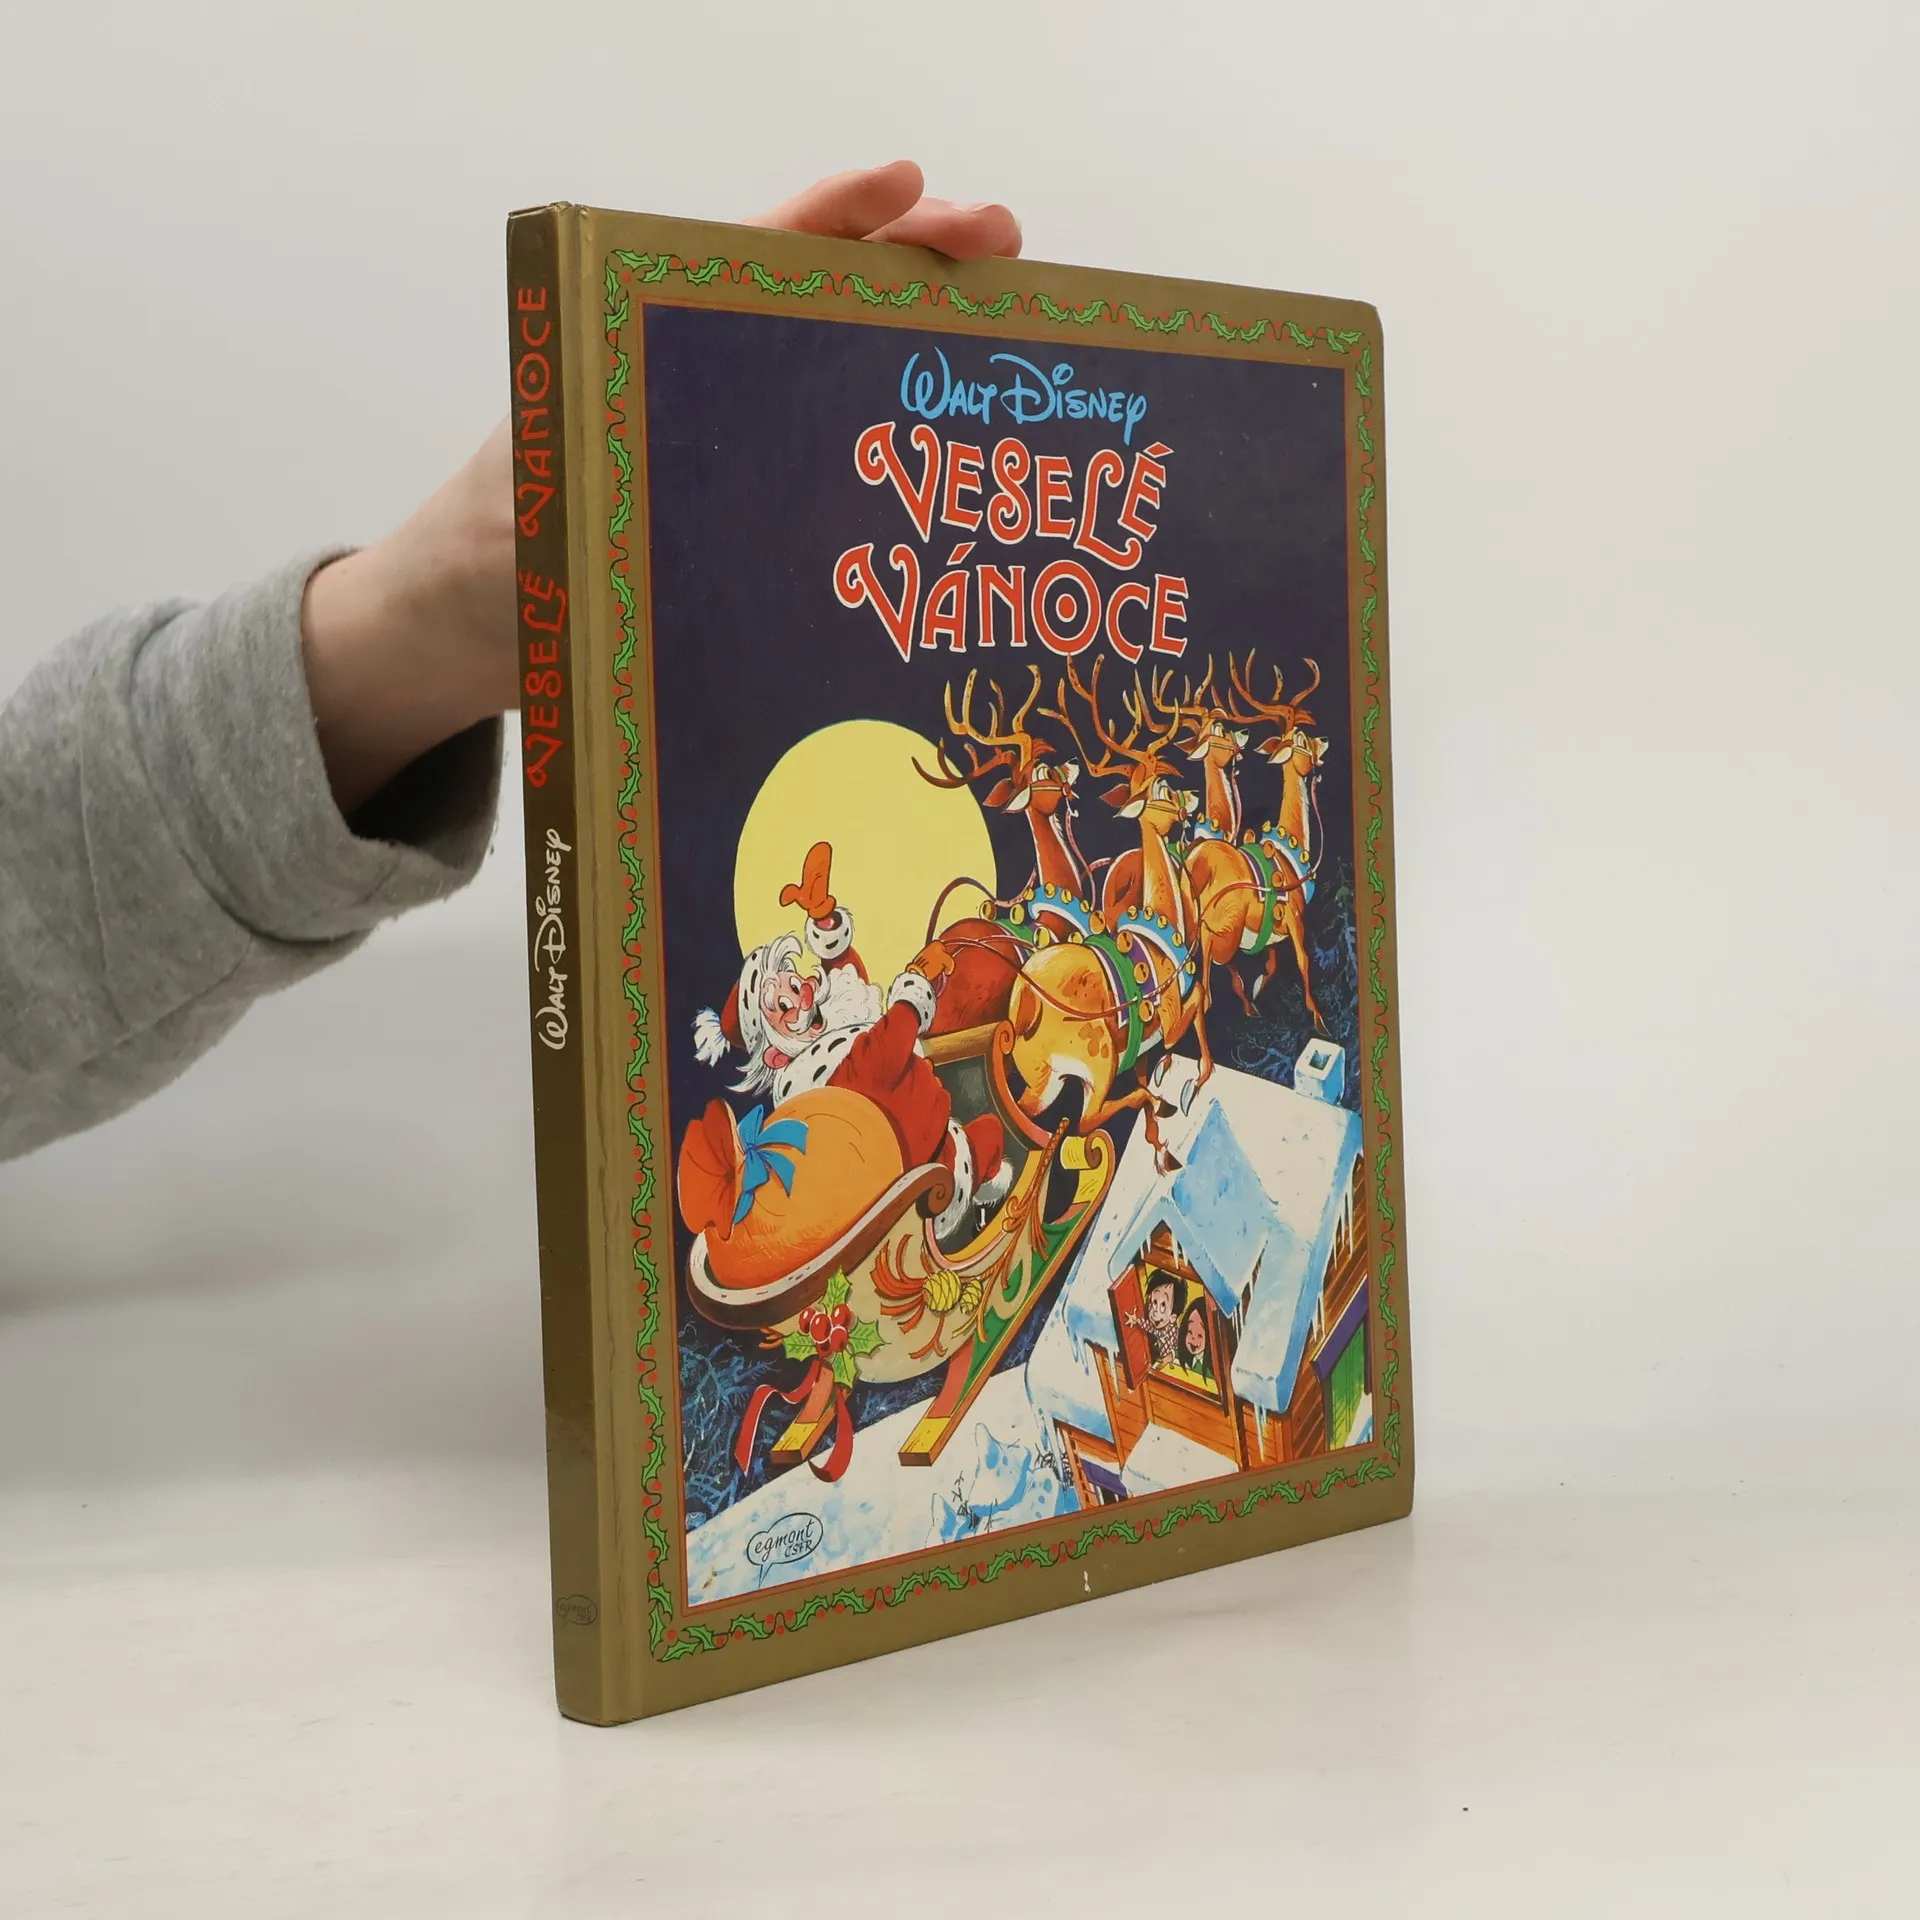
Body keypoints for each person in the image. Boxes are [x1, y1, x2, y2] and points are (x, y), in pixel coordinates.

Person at [0, 164, 1022, 1164]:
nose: (793, 995)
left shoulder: (840, 997)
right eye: (781, 995)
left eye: (785, 988)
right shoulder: (808, 1066)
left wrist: (425, 618)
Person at [693, 840, 1009, 1243]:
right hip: (918, 1175)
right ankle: (984, 1215)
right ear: (775, 1055)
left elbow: (848, 985)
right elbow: (881, 1054)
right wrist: (914, 988)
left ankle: (985, 1200)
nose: (799, 992)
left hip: (932, 1140)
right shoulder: (821, 1083)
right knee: (990, 1138)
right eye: (782, 1005)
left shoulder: (828, 1024)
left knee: (984, 1133)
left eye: (791, 978)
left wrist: (824, 920)